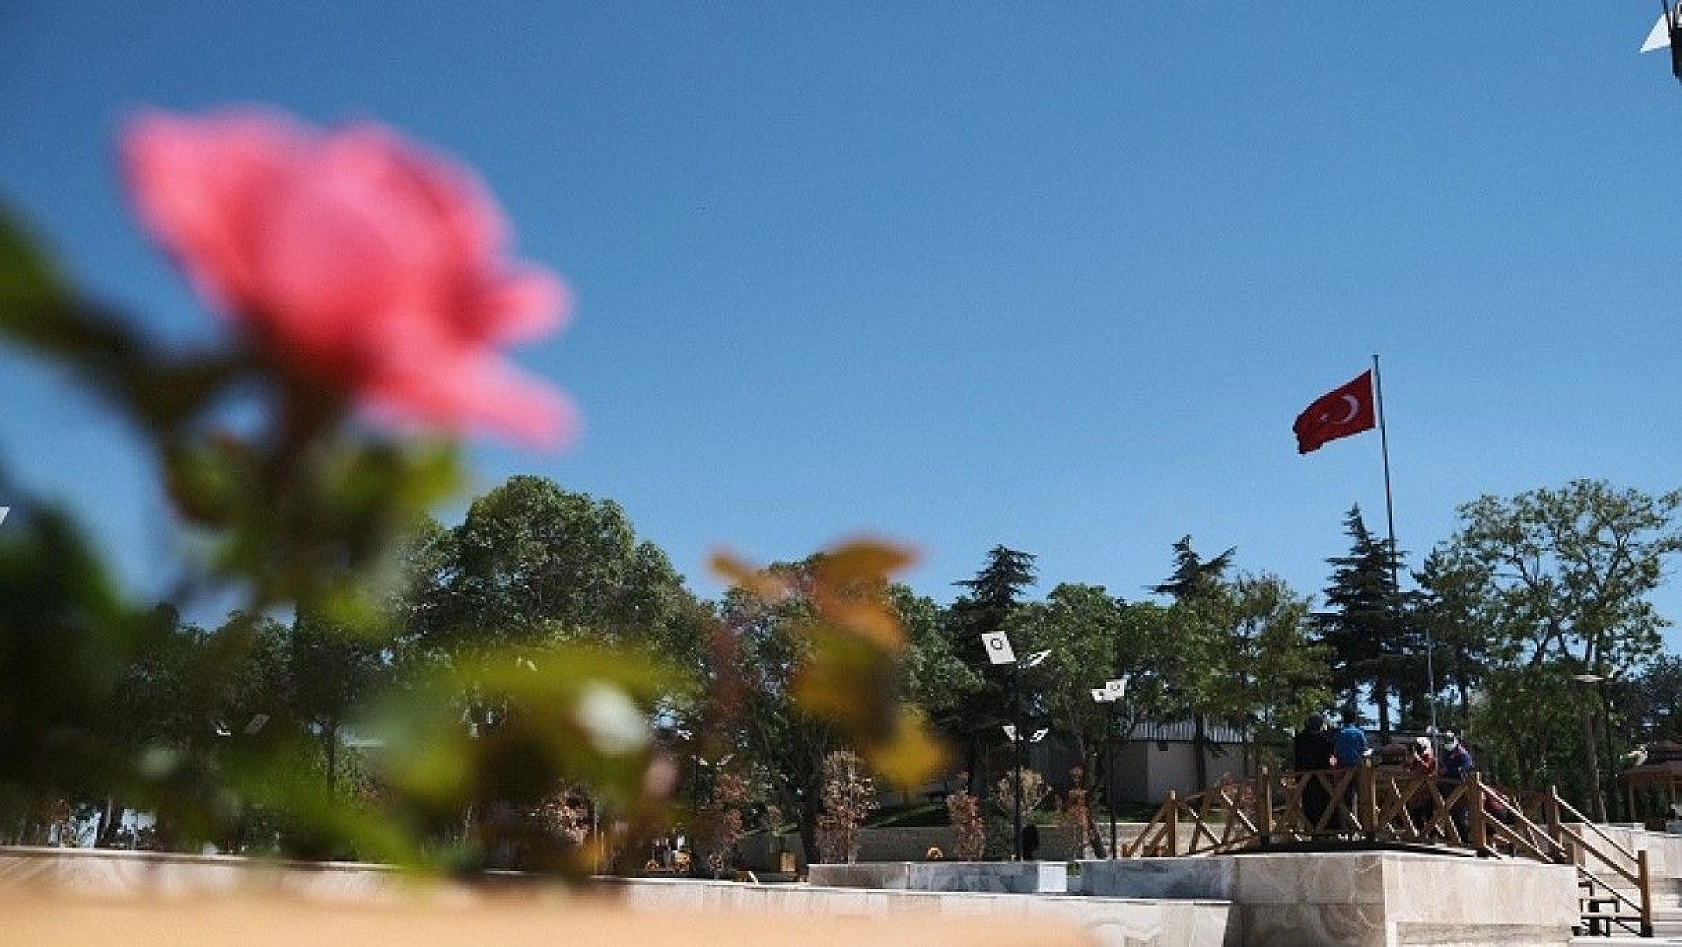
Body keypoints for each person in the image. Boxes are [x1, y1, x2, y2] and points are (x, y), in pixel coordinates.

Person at [1291, 713, 1335, 832]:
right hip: (1323, 777)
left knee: (1308, 803)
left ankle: (1311, 829)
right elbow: (1331, 753)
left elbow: (1297, 757)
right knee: (1323, 803)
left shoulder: (1300, 739)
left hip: (1305, 776)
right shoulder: (1325, 739)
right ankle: (1323, 830)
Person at [1439, 731, 1476, 841]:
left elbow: (1465, 769)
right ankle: (1450, 838)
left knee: (1460, 815)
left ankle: (1464, 840)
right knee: (1449, 813)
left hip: (1461, 789)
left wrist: (1448, 771)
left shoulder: (1462, 754)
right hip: (1448, 788)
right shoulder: (1446, 752)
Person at [1404, 736, 1437, 837]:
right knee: (1416, 814)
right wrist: (1410, 760)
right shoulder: (1417, 756)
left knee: (1429, 815)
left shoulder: (1429, 756)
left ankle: (1431, 836)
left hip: (1427, 791)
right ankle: (1421, 835)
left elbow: (1427, 769)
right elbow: (1407, 768)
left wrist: (1417, 759)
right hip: (1416, 791)